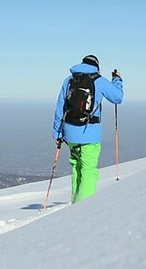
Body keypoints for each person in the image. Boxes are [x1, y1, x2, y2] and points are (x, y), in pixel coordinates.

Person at [52, 54, 124, 203]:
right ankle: (84, 208)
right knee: (88, 169)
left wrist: (57, 133)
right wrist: (117, 80)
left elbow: (60, 108)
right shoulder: (99, 80)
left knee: (76, 167)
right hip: (89, 133)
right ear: (97, 66)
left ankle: (75, 202)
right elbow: (118, 97)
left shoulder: (70, 80)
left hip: (70, 132)